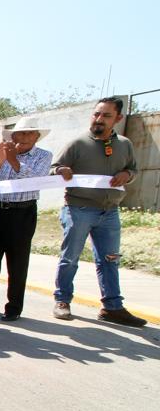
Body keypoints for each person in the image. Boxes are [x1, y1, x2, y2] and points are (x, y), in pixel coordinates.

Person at [52, 97, 146, 327]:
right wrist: (61, 170)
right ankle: (62, 301)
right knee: (70, 258)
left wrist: (128, 175)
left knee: (110, 260)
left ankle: (112, 307)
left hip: (110, 212)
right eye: (96, 114)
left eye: (105, 115)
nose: (99, 119)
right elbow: (54, 168)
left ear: (118, 119)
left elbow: (132, 169)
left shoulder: (125, 144)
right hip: (79, 209)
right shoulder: (77, 143)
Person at [0, 118, 52, 321]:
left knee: (17, 261)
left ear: (36, 137)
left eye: (29, 133)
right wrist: (0, 161)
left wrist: (14, 160)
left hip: (21, 212)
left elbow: (33, 181)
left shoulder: (43, 156)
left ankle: (14, 306)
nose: (23, 138)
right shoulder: (3, 152)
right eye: (20, 134)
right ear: (12, 136)